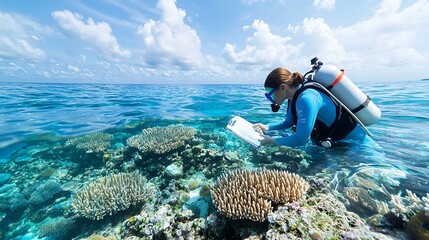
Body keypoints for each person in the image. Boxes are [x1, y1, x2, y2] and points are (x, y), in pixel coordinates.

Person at [253, 67, 366, 148]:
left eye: (270, 93)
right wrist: (266, 127)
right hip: (337, 142)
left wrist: (272, 141)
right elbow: (288, 122)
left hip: (355, 143)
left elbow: (300, 139)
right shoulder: (294, 97)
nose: (269, 97)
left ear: (283, 87)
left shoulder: (306, 99)